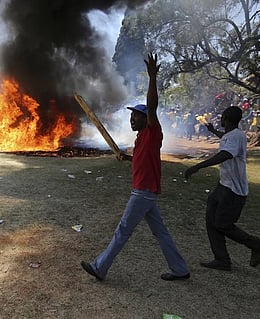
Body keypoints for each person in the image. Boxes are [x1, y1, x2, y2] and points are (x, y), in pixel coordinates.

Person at [80, 53, 190, 282]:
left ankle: (100, 267)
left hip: (143, 191)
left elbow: (152, 106)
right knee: (160, 232)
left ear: (146, 119)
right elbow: (143, 159)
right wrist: (127, 159)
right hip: (146, 191)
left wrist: (152, 78)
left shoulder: (152, 131)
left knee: (123, 230)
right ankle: (180, 269)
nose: (132, 120)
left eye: (136, 117)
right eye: (130, 117)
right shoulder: (141, 139)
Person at [184, 106, 260, 271]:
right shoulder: (234, 135)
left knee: (223, 224)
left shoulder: (235, 137)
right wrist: (213, 131)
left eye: (222, 118)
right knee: (211, 221)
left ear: (226, 119)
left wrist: (198, 166)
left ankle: (257, 245)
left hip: (233, 190)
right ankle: (222, 259)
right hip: (224, 185)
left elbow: (226, 154)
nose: (221, 120)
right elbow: (225, 139)